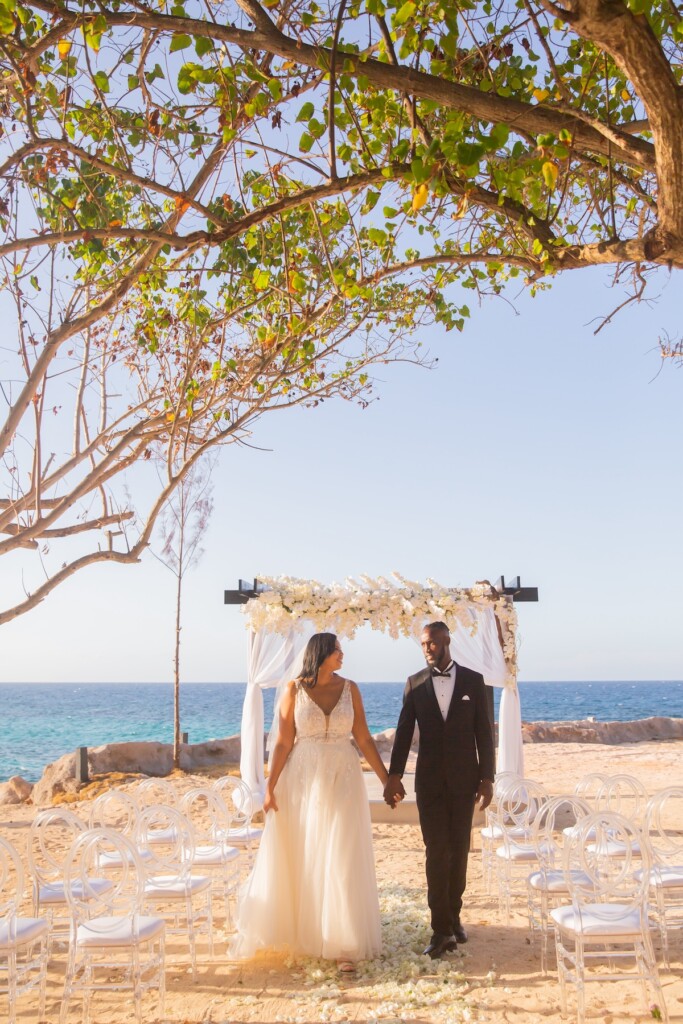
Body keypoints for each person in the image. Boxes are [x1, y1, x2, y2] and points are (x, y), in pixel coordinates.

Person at [232, 632, 389, 972]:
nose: (342, 655)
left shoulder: (352, 689)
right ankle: (309, 931)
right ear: (321, 654)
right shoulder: (293, 690)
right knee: (307, 850)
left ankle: (343, 942)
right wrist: (269, 787)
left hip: (344, 775)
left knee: (342, 852)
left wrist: (386, 779)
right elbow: (284, 743)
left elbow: (362, 737)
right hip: (303, 777)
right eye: (337, 650)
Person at [383, 621, 494, 959]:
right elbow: (403, 733)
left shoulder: (474, 682)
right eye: (422, 645)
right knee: (435, 851)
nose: (427, 648)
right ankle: (439, 928)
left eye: (431, 642)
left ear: (447, 639)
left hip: (465, 782)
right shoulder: (414, 683)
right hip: (428, 782)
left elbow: (484, 734)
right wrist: (394, 775)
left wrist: (487, 777)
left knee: (459, 849)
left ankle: (455, 915)